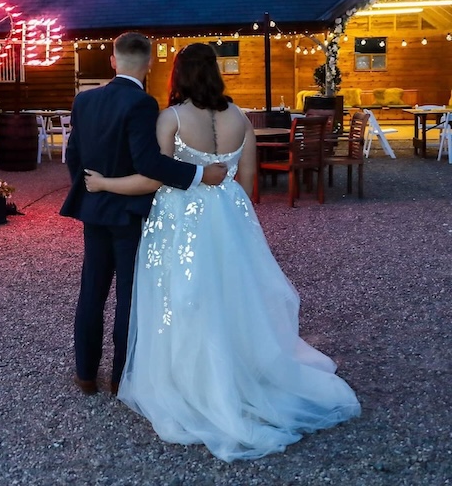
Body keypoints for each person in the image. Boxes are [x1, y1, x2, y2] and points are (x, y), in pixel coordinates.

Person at [84, 43, 360, 462]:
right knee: (230, 294)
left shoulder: (171, 117)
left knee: (182, 295)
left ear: (178, 75)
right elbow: (247, 180)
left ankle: (187, 379)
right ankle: (239, 370)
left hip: (180, 221)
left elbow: (153, 179)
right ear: (215, 73)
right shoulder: (241, 119)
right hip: (230, 218)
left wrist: (104, 185)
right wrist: (231, 215)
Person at [60, 32, 228, 396]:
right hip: (130, 212)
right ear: (149, 63)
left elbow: (73, 155)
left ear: (113, 61)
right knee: (128, 295)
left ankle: (86, 374)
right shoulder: (142, 103)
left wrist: (90, 187)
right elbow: (150, 164)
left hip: (95, 209)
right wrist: (201, 174)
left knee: (92, 291)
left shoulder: (84, 100)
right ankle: (122, 376)